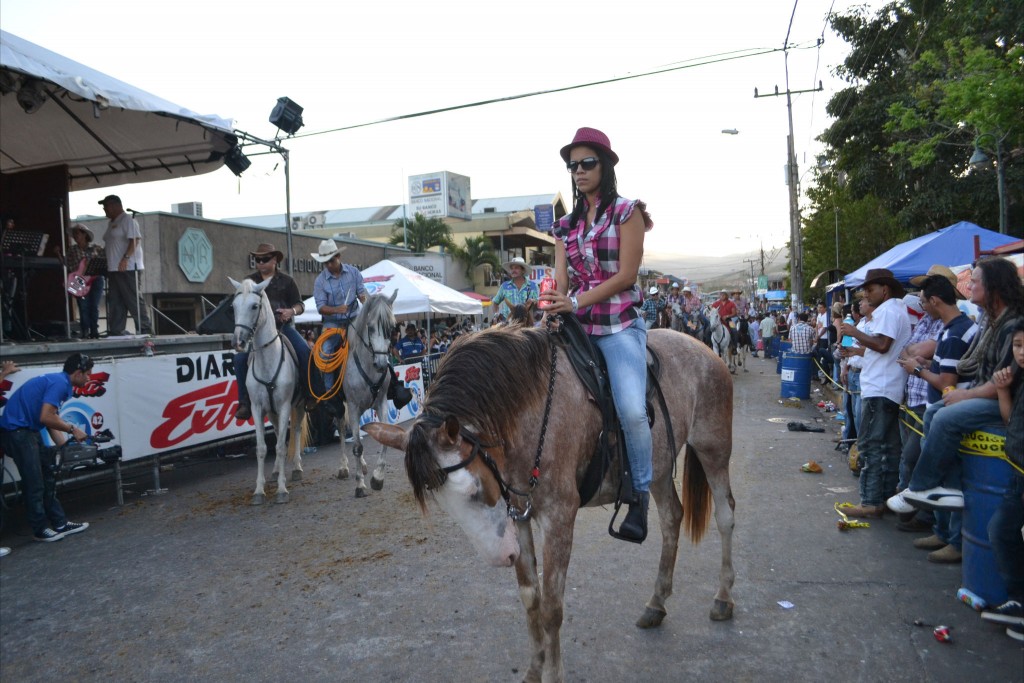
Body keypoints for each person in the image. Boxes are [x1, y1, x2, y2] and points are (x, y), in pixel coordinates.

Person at [540, 126, 654, 543]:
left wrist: (576, 302)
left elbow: (626, 276)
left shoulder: (628, 213)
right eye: (573, 165)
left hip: (618, 326)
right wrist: (555, 300)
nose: (579, 171)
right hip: (577, 328)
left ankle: (639, 496)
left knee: (632, 410)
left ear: (605, 166)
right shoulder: (563, 227)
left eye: (587, 163)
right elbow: (562, 282)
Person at [887, 257, 1024, 513]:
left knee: (945, 417)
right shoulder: (989, 321)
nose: (968, 287)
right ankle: (948, 488)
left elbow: (1003, 382)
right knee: (934, 412)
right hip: (985, 395)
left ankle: (921, 487)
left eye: (974, 282)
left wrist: (965, 395)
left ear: (993, 286)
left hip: (1007, 404)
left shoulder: (1013, 325)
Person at [896, 274, 977, 561]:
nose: (922, 307)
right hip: (938, 411)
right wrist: (926, 363)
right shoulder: (951, 329)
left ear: (935, 300)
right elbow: (947, 369)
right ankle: (943, 533)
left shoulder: (955, 333)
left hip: (947, 414)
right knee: (944, 477)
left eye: (923, 301)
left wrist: (917, 370)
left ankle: (953, 539)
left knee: (950, 477)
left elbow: (947, 383)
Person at [834, 268, 911, 518]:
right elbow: (879, 348)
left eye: (870, 289)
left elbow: (882, 344)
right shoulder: (894, 310)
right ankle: (885, 498)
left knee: (870, 445)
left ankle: (870, 501)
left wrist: (855, 333)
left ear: (884, 290)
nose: (866, 293)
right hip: (886, 386)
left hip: (880, 387)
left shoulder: (888, 310)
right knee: (888, 447)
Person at [0, 353, 92, 542]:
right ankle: (40, 529)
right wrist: (73, 429)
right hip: (17, 432)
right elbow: (46, 418)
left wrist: (66, 447)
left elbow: (51, 420)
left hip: (28, 430)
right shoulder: (59, 384)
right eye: (88, 374)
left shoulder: (59, 382)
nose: (89, 378)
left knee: (48, 477)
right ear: (77, 373)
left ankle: (60, 522)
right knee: (34, 482)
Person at [233, 243, 312, 421]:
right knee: (238, 358)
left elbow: (300, 305)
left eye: (265, 259)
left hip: (284, 328)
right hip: (257, 334)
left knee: (305, 351)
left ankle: (310, 394)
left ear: (275, 260)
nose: (260, 262)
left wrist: (291, 311)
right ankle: (244, 402)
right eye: (257, 259)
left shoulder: (287, 281)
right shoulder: (249, 282)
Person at [982, 320, 1024, 642]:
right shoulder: (1018, 379)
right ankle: (1018, 601)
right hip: (1016, 470)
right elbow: (1010, 421)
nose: (1021, 353)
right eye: (1017, 346)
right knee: (1000, 530)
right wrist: (1002, 389)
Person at [311, 239, 367, 402]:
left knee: (374, 341)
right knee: (326, 352)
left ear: (339, 256)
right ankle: (330, 394)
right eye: (325, 262)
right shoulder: (320, 281)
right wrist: (337, 310)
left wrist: (365, 299)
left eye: (331, 260)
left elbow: (361, 293)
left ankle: (389, 381)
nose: (328, 265)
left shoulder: (354, 272)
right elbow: (321, 307)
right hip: (332, 323)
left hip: (354, 317)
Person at [99, 195, 153, 336]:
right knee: (116, 300)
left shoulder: (128, 219)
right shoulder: (112, 223)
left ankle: (144, 329)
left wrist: (126, 258)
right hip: (113, 268)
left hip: (128, 267)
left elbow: (135, 240)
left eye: (106, 206)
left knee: (132, 299)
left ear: (115, 205)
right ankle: (117, 330)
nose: (104, 209)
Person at [66, 224, 106, 339]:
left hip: (95, 279)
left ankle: (94, 330)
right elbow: (67, 265)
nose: (75, 236)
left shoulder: (96, 248)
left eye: (77, 233)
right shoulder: (72, 250)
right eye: (74, 234)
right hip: (79, 280)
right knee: (83, 305)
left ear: (84, 234)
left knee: (94, 305)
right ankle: (85, 330)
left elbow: (104, 260)